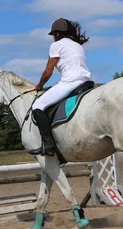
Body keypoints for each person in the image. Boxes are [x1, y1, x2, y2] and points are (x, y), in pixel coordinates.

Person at [28, 18, 92, 156]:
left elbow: (47, 72)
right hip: (86, 81)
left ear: (56, 34)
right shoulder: (77, 45)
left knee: (38, 106)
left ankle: (48, 145)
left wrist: (39, 85)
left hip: (70, 82)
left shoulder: (56, 46)